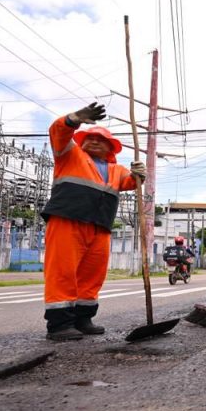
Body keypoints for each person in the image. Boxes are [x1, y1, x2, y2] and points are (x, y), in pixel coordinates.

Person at [40, 103, 145, 340]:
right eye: (90, 138)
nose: (95, 141)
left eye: (101, 139)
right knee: (63, 272)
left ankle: (83, 318)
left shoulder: (116, 170)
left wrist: (140, 174)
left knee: (92, 276)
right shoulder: (69, 154)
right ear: (81, 142)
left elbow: (132, 183)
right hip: (67, 221)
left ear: (111, 147)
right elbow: (58, 132)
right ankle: (59, 325)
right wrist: (74, 118)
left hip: (100, 227)